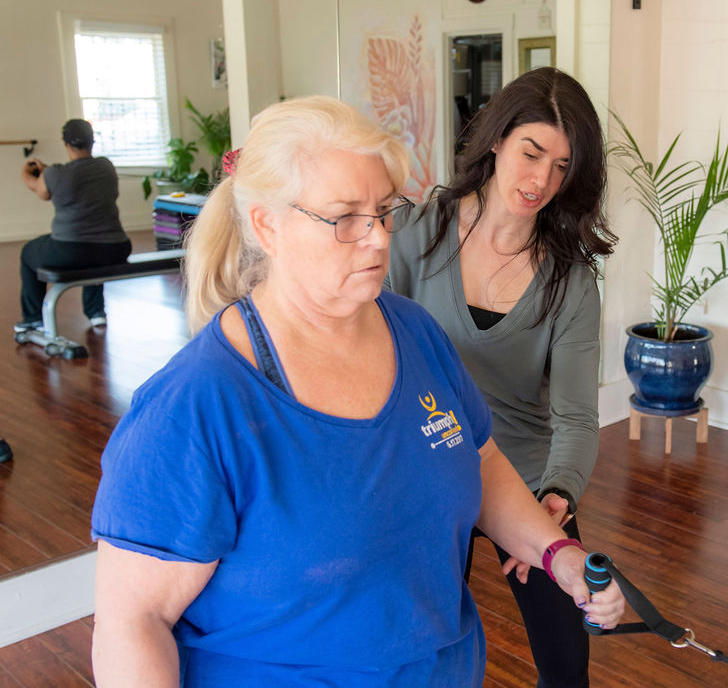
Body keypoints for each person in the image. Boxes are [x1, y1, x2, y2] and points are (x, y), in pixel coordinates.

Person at [90, 95, 623, 687]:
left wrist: (557, 554)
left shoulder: (414, 331)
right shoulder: (193, 406)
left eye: (384, 211)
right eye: (345, 218)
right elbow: (132, 622)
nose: (376, 239)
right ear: (268, 225)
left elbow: (482, 461)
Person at [387, 67, 617, 687]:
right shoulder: (413, 236)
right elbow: (374, 355)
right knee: (422, 658)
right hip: (428, 468)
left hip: (525, 474)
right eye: (531, 152)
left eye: (561, 165)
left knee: (568, 669)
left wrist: (559, 496)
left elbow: (574, 418)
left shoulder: (570, 280)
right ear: (496, 140)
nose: (541, 179)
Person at [16, 119, 131, 332]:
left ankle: (33, 318)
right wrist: (47, 171)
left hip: (71, 251)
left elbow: (38, 188)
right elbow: (76, 176)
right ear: (92, 142)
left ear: (66, 144)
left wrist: (27, 169)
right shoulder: (106, 166)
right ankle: (96, 312)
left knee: (28, 252)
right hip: (116, 248)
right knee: (94, 253)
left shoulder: (55, 174)